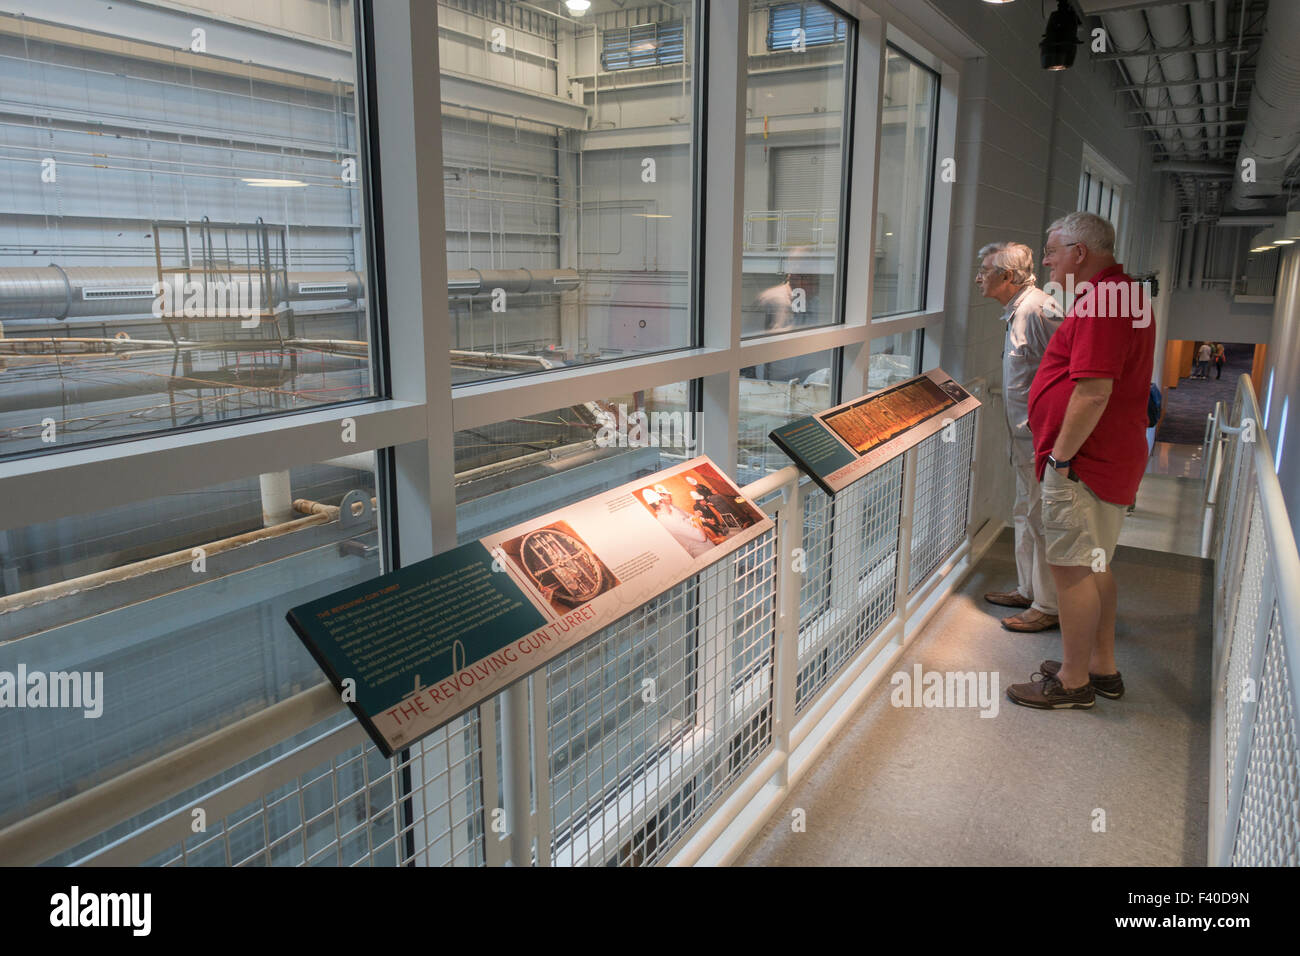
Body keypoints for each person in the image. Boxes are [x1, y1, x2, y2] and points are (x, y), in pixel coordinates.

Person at [1006, 211, 1155, 710]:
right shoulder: (1122, 294)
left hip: (1085, 463)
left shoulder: (1104, 305)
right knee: (1096, 564)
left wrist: (1061, 460)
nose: (1045, 260)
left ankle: (1072, 682)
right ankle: (1100, 666)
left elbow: (1093, 392)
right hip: (1108, 457)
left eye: (1051, 251)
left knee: (1070, 568)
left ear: (1080, 253)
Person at [975, 241, 1064, 632]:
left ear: (1007, 277)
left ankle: (1048, 605)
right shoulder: (1017, 311)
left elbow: (1070, 374)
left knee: (1042, 519)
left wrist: (1056, 439)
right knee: (1024, 513)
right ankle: (1028, 589)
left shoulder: (1040, 311)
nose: (979, 277)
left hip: (1043, 442)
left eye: (985, 270)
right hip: (1024, 441)